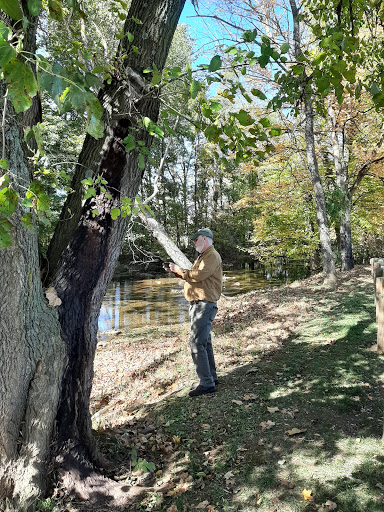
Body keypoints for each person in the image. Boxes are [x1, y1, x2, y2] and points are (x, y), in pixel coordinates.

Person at [168, 228, 223, 397]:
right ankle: (211, 378)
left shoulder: (211, 256)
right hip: (199, 304)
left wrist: (180, 270)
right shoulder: (204, 256)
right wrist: (178, 273)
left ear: (205, 239)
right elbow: (195, 277)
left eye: (196, 239)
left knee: (196, 343)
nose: (193, 242)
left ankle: (206, 383)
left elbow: (198, 275)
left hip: (204, 305)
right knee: (204, 342)